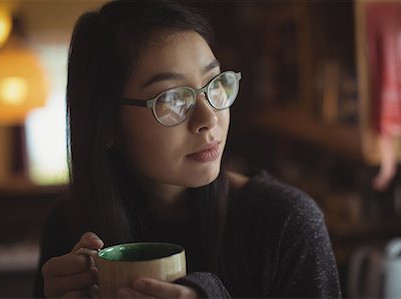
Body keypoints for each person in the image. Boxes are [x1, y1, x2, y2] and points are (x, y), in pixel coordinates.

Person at [34, 0, 342, 298]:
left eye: (214, 84)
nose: (208, 119)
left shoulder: (284, 223)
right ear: (107, 125)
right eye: (172, 99)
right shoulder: (69, 231)